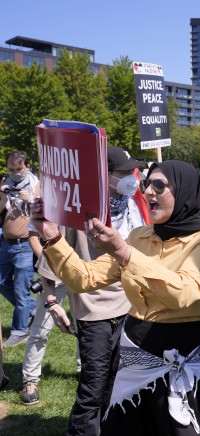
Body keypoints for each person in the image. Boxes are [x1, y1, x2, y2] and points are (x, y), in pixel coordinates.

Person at [30, 160, 200, 435]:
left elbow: (184, 293)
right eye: (148, 183)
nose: (149, 191)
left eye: (159, 185)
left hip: (188, 353)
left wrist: (124, 253)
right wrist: (52, 237)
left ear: (184, 191)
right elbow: (84, 278)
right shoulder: (139, 237)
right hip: (136, 355)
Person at [21, 147, 146, 435]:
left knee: (119, 382)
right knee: (93, 385)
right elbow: (51, 256)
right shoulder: (78, 214)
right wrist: (52, 303)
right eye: (124, 173)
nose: (132, 178)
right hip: (94, 313)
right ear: (107, 178)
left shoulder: (133, 206)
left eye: (133, 172)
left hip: (131, 309)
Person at [0, 151, 39, 347]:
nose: (15, 173)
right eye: (11, 169)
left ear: (28, 167)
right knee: (1, 282)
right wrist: (2, 194)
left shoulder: (36, 184)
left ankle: (19, 331)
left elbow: (48, 211)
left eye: (19, 169)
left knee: (20, 288)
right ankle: (33, 309)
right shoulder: (5, 184)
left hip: (25, 244)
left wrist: (30, 199)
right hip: (6, 243)